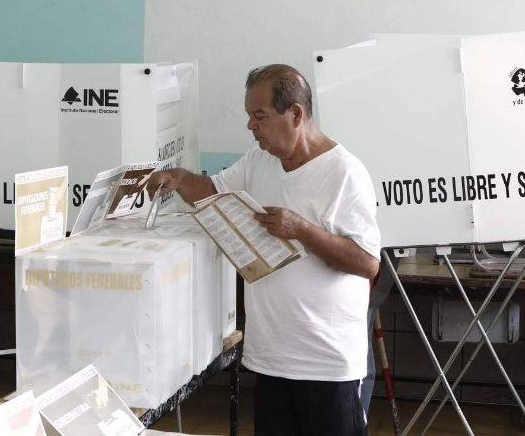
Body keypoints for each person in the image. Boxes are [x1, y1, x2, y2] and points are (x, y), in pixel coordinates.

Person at [148, 64, 381, 436]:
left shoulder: (344, 173)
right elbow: (212, 190)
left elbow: (368, 263)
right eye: (249, 116)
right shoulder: (260, 160)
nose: (250, 126)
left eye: (260, 116)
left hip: (327, 364)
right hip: (271, 358)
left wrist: (302, 229)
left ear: (295, 114)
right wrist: (177, 179)